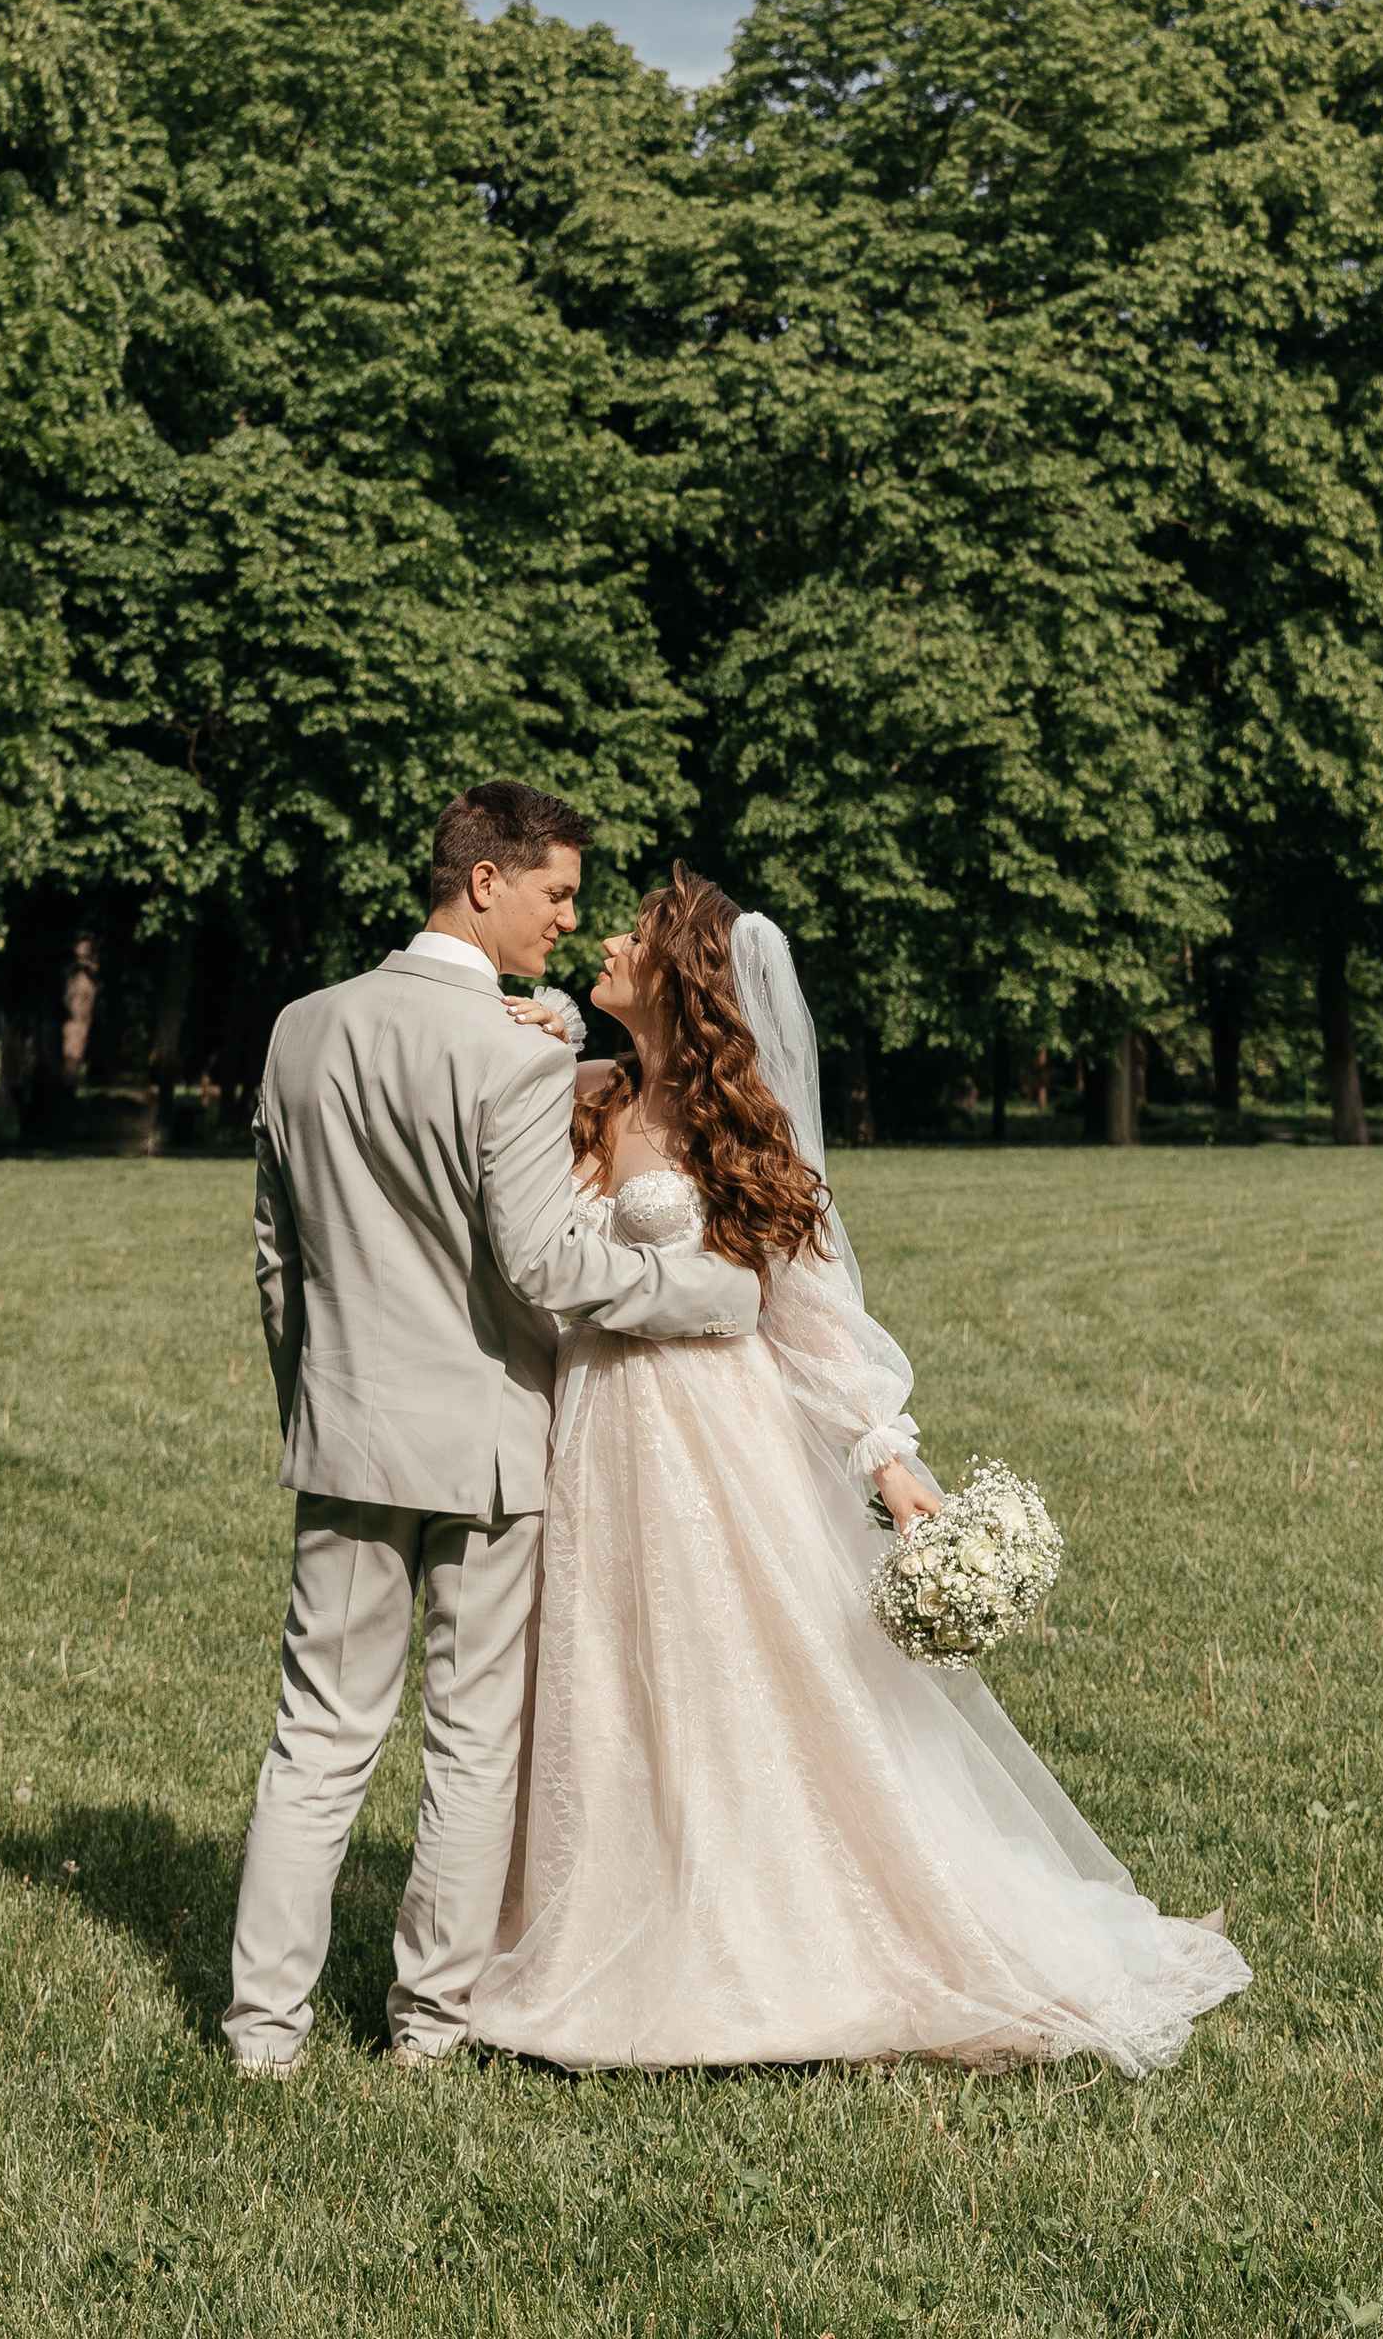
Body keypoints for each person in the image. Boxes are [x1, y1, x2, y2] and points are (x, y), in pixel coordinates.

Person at [469, 867, 1249, 2073]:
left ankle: (775, 1931)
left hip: (712, 1440)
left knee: (742, 1679)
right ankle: (611, 1917)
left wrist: (888, 1459)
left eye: (634, 935)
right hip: (597, 1434)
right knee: (610, 1676)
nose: (606, 940)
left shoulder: (740, 1127)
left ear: (684, 981)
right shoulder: (590, 1091)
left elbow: (810, 1313)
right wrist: (550, 1024)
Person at [223, 784, 763, 2075]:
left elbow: (274, 1261)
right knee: (470, 1747)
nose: (570, 922)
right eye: (557, 894)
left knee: (318, 1735)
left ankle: (260, 2034)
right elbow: (546, 1266)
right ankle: (429, 2027)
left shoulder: (302, 1030)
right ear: (483, 882)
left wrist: (317, 1393)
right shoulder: (509, 1053)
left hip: (346, 1434)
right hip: (488, 1444)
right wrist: (707, 1294)